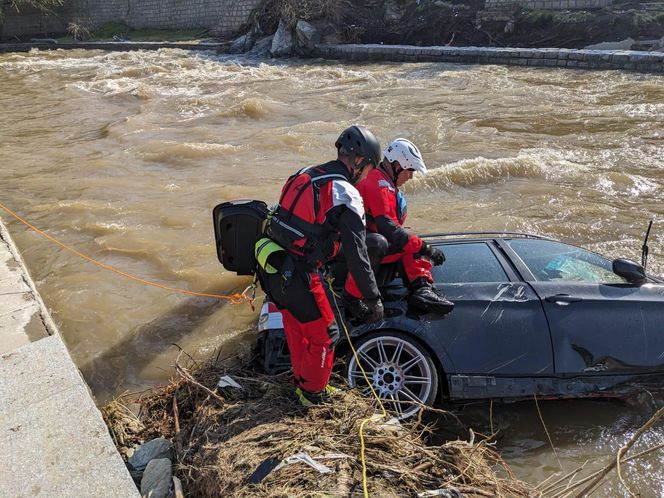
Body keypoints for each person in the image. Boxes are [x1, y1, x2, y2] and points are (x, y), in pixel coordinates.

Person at [255, 125, 384, 406]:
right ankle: (313, 394)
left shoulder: (305, 174)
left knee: (297, 328)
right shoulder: (345, 192)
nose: (366, 178)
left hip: (275, 268)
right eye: (369, 170)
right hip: (302, 274)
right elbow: (358, 254)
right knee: (326, 335)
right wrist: (373, 299)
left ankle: (302, 384)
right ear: (360, 161)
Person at [344, 138, 454, 316]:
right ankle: (353, 297)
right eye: (410, 171)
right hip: (358, 245)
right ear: (397, 165)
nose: (410, 176)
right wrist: (426, 248)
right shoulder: (377, 182)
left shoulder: (383, 181)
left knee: (409, 238)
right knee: (407, 241)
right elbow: (388, 227)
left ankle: (421, 288)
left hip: (362, 239)